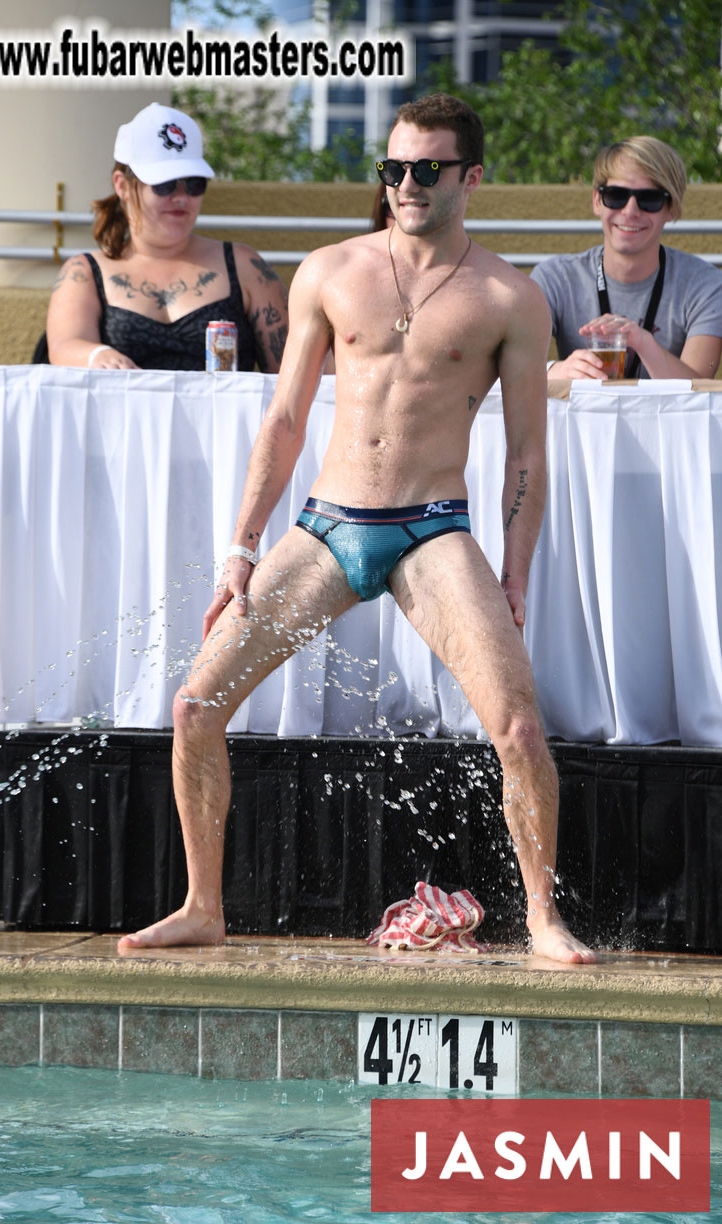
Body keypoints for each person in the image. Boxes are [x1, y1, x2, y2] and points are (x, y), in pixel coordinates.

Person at [117, 93, 597, 965]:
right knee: (194, 705)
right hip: (327, 525)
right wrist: (240, 548)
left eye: (426, 170)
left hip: (431, 530)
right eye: (393, 168)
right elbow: (285, 419)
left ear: (471, 178)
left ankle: (539, 916)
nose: (406, 185)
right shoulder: (331, 272)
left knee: (520, 729)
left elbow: (528, 453)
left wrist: (516, 570)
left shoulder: (509, 297)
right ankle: (202, 905)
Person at [46, 103, 288, 373]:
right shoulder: (85, 273)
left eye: (195, 183)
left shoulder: (245, 267)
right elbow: (63, 346)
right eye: (164, 184)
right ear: (122, 185)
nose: (181, 197)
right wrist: (97, 355)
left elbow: (291, 373)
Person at [531, 136, 722, 381]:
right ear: (596, 201)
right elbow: (512, 366)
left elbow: (698, 390)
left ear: (671, 209)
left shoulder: (706, 285)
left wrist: (643, 342)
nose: (630, 211)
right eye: (616, 195)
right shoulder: (555, 278)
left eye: (649, 199)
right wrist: (556, 371)